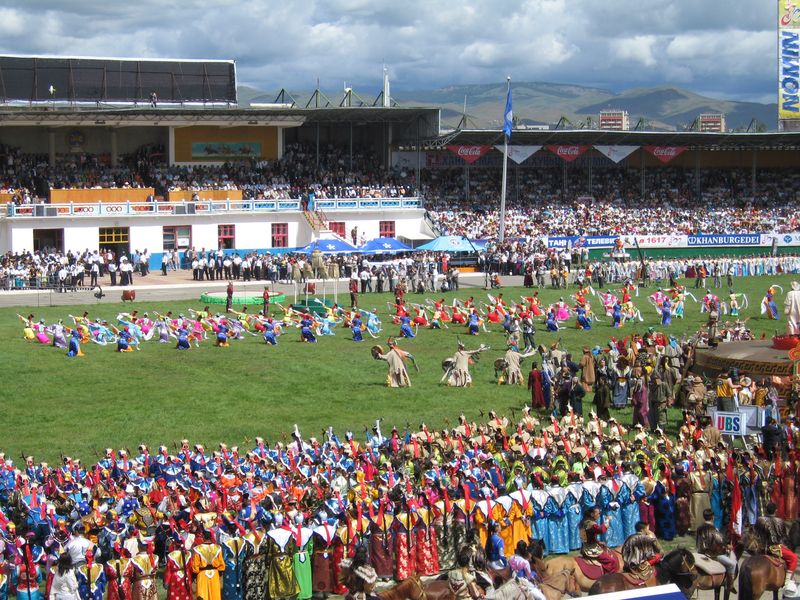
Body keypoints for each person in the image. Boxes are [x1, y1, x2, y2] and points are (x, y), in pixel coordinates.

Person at [754, 502, 798, 595]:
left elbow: (755, 533)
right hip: (774, 548)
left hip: (760, 547)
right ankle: (787, 582)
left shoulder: (759, 520)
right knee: (794, 558)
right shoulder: (780, 521)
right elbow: (783, 537)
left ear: (766, 510)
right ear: (776, 511)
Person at [695, 508, 736, 592]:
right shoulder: (713, 529)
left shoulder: (699, 528)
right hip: (712, 555)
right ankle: (730, 585)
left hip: (700, 553)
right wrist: (727, 546)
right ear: (712, 517)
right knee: (732, 564)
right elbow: (720, 541)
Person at [580, 507, 619, 574]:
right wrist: (607, 520)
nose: (599, 515)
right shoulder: (590, 524)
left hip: (587, 546)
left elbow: (589, 538)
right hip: (591, 549)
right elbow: (601, 530)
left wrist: (598, 542)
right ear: (592, 514)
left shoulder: (586, 522)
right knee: (611, 561)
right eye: (598, 513)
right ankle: (609, 578)